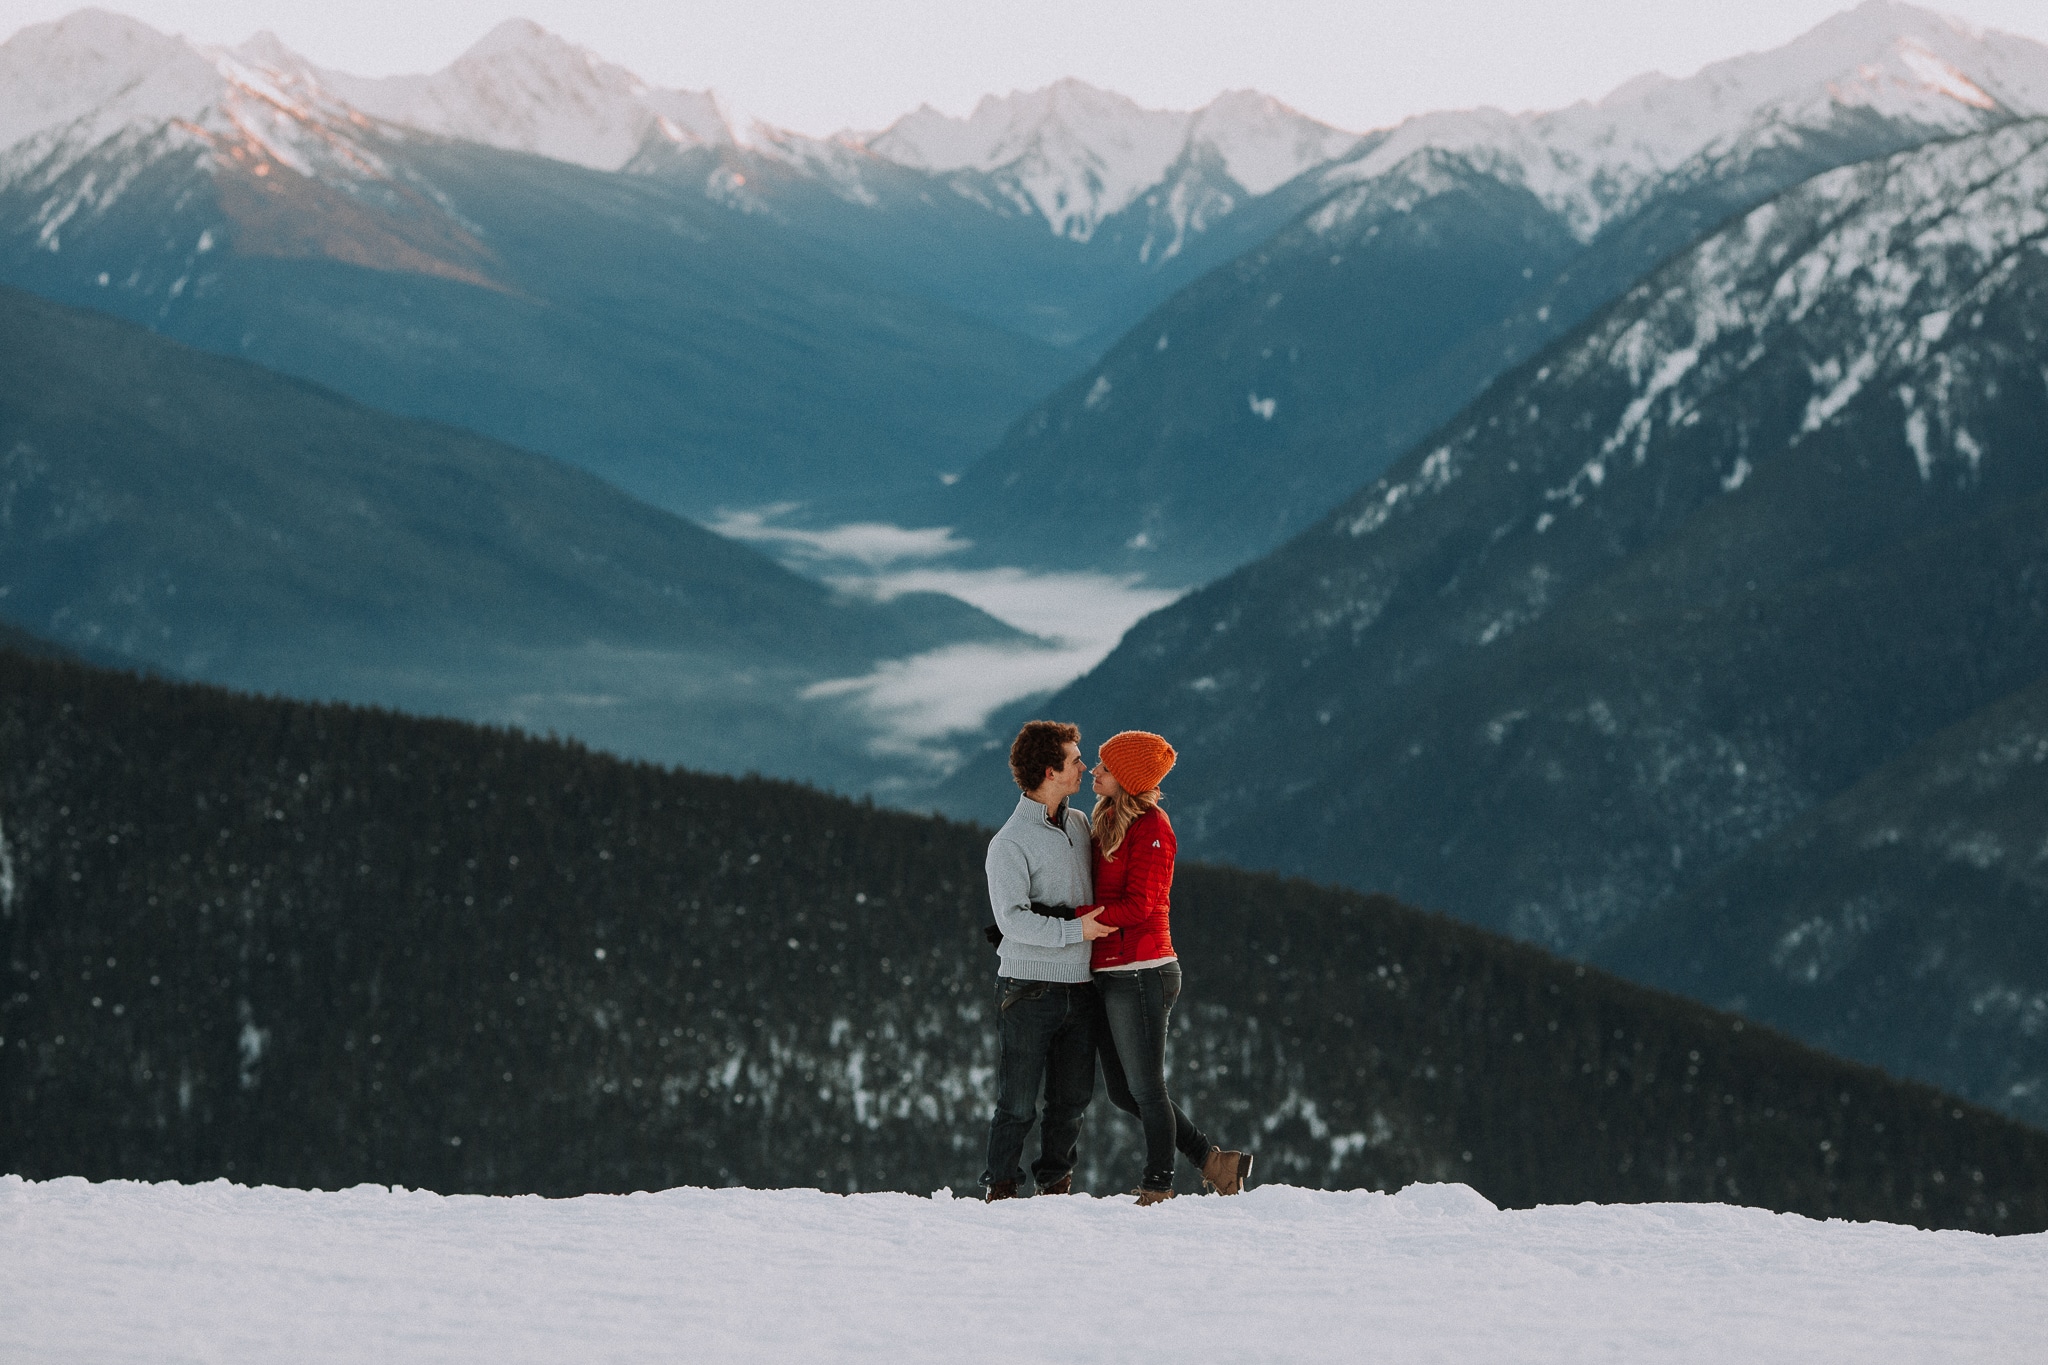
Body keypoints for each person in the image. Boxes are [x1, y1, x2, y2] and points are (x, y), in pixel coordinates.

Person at [1082, 730, 1253, 1205]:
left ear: (1129, 779)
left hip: (1143, 969)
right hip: (1113, 970)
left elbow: (1142, 905)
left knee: (1147, 1088)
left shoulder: (1154, 828)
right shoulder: (1109, 818)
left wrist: (1079, 923)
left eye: (1106, 766)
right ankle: (1214, 1162)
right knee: (1122, 1092)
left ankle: (1158, 1185)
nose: (1095, 771)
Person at [979, 720, 1112, 1201]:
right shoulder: (1009, 844)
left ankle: (1055, 1183)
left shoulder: (1077, 824)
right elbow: (1013, 921)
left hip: (1080, 985)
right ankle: (1001, 1187)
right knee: (1018, 1103)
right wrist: (1076, 930)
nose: (1084, 766)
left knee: (1072, 1100)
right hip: (1028, 989)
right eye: (1075, 760)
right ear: (1051, 771)